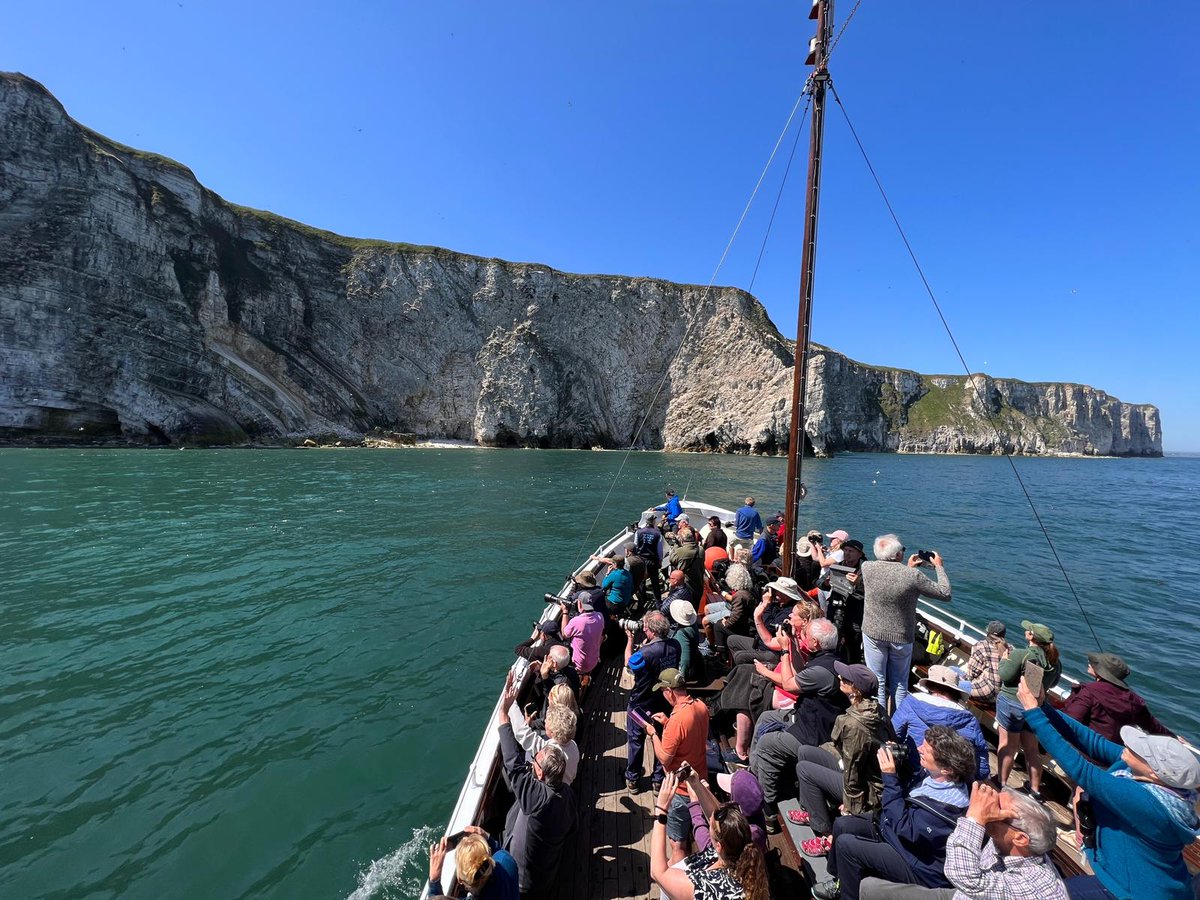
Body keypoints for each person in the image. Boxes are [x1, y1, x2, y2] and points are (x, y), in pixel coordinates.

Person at [1015, 676, 1200, 900]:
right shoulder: (1140, 770)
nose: (1130, 745)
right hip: (1129, 878)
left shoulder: (1148, 803)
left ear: (1155, 774)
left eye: (1141, 748)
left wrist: (1033, 713)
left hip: (1137, 893)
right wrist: (1044, 707)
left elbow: (1081, 770)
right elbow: (1092, 741)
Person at [811, 727, 977, 900]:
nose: (919, 749)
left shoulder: (946, 810)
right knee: (842, 825)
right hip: (900, 836)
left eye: (926, 750)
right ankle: (840, 882)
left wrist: (889, 776)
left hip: (915, 863)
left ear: (947, 769)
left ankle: (848, 895)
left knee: (847, 845)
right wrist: (899, 764)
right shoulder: (934, 776)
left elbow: (903, 827)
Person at [856, 783, 1067, 900]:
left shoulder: (1037, 888)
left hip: (967, 888)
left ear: (1020, 838)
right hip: (963, 893)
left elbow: (964, 875)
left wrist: (975, 818)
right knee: (869, 887)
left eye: (998, 812)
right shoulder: (1006, 842)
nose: (990, 812)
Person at [747, 618, 847, 830]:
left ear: (816, 643)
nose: (802, 638)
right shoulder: (830, 659)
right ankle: (755, 775)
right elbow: (802, 672)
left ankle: (768, 810)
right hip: (807, 718)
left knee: (767, 744)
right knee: (766, 718)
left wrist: (784, 652)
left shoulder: (822, 672)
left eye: (805, 636)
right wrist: (791, 643)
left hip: (813, 735)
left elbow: (789, 684)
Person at [793, 663, 895, 858]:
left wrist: (850, 809)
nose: (840, 679)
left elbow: (853, 772)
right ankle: (813, 810)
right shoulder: (877, 709)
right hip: (864, 775)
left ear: (855, 689)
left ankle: (828, 835)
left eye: (845, 679)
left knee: (804, 769)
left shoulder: (855, 725)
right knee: (805, 752)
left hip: (867, 791)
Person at [497, 674, 577, 900]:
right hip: (547, 873)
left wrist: (504, 712)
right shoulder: (568, 794)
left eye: (535, 762)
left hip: (524, 883)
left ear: (540, 772)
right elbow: (571, 828)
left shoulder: (535, 798)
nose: (532, 762)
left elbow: (513, 762)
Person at [857, 534, 952, 710]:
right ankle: (898, 725)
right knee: (900, 683)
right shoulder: (912, 575)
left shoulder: (867, 567)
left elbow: (889, 580)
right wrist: (939, 566)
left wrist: (906, 567)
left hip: (872, 632)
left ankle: (878, 721)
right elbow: (945, 593)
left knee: (877, 679)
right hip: (901, 636)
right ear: (898, 555)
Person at [649, 770, 770, 900]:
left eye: (710, 826)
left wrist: (661, 811)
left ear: (718, 846)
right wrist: (697, 785)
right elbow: (716, 816)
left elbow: (657, 873)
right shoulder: (741, 852)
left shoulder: (709, 887)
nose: (710, 818)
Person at [642, 668, 710, 862]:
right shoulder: (700, 706)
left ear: (669, 691)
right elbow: (690, 737)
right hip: (700, 782)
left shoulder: (677, 721)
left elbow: (664, 758)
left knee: (677, 843)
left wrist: (653, 733)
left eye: (663, 691)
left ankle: (677, 879)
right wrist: (667, 722)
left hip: (680, 790)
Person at [995, 621, 1061, 800]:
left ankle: (1001, 783)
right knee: (1032, 749)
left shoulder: (1020, 654)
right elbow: (1053, 683)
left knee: (1008, 744)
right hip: (1034, 708)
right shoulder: (1055, 662)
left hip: (1012, 703)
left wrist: (1004, 660)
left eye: (1028, 630)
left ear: (1031, 636)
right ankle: (1035, 790)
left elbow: (1005, 676)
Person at [892, 665, 990, 781]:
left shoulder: (910, 702)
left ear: (930, 686)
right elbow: (981, 759)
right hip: (949, 780)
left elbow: (893, 734)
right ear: (955, 691)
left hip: (910, 772)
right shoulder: (969, 719)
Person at [1063, 651, 1174, 744]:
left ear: (1102, 672)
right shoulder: (1134, 700)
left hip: (1084, 751)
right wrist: (1173, 738)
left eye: (1095, 664)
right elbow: (1152, 725)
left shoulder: (1088, 692)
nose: (1089, 663)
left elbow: (1068, 722)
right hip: (1112, 755)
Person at [623, 611, 680, 792]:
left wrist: (630, 641)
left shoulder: (644, 654)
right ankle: (657, 780)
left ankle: (633, 779)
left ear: (651, 630)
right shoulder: (675, 645)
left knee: (636, 741)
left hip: (640, 704)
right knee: (661, 739)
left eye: (646, 626)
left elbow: (628, 666)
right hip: (663, 703)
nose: (644, 628)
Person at [427, 825, 520, 900]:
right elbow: (499, 853)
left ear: (459, 879)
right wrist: (487, 837)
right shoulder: (507, 862)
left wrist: (434, 880)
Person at [507, 700, 581, 786]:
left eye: (547, 720)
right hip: (566, 784)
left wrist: (512, 702)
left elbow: (521, 732)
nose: (545, 720)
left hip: (549, 787)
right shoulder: (573, 745)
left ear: (553, 733)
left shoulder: (549, 753)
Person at [953, 621, 1007, 704]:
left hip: (986, 692)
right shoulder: (1010, 649)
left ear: (988, 632)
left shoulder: (981, 646)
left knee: (949, 679)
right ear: (1004, 634)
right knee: (952, 669)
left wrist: (964, 680)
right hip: (1000, 694)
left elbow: (972, 674)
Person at [560, 593, 604, 677]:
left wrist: (565, 612)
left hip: (580, 665)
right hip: (594, 660)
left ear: (579, 603)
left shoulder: (576, 621)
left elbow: (564, 634)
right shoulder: (600, 616)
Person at [633, 514, 666, 605]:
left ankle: (642, 601)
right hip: (652, 560)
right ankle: (658, 602)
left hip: (641, 560)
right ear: (653, 522)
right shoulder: (657, 533)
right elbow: (660, 550)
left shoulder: (638, 532)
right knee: (655, 581)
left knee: (641, 580)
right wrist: (660, 560)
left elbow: (636, 545)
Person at [669, 599, 703, 683]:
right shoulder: (692, 624)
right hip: (695, 660)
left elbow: (685, 659)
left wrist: (681, 678)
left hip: (688, 669)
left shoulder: (681, 634)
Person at [670, 528, 706, 601]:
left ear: (681, 539)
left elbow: (672, 559)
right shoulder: (701, 549)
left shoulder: (680, 551)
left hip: (685, 586)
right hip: (699, 584)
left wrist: (676, 544)